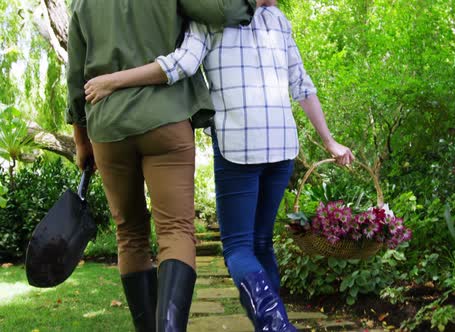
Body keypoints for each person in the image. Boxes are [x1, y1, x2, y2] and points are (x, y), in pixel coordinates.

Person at [83, 2, 354, 331]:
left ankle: (275, 324)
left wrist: (114, 81)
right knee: (261, 243)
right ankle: (273, 324)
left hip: (240, 146)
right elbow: (303, 85)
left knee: (239, 248)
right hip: (281, 145)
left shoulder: (210, 19)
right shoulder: (278, 20)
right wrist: (329, 141)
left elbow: (180, 65)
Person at [65, 1, 270, 331]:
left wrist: (81, 140)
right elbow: (224, 10)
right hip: (166, 119)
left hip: (107, 126)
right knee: (176, 231)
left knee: (129, 235)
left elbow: (75, 75)